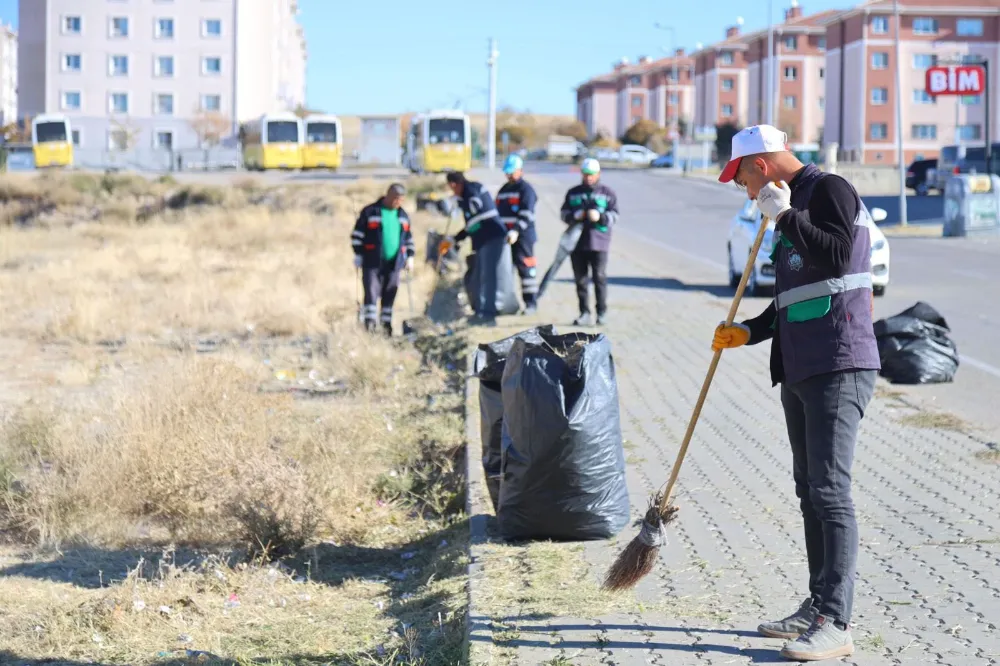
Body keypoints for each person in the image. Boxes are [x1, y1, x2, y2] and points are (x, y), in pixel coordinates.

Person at [712, 124, 881, 662]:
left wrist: (784, 215)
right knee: (809, 491)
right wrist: (748, 332)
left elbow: (837, 259)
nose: (745, 192)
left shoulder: (829, 189)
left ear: (760, 165)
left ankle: (837, 622)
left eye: (741, 179)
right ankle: (817, 606)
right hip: (800, 366)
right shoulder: (784, 204)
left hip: (839, 361)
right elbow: (793, 295)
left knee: (830, 491)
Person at [559, 157, 619, 326]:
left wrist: (601, 217)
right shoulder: (573, 193)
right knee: (581, 280)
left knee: (599, 277)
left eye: (592, 174)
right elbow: (563, 214)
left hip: (599, 243)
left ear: (598, 174)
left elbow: (615, 216)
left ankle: (601, 313)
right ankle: (584, 313)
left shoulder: (607, 193)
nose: (589, 177)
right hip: (577, 243)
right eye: (586, 174)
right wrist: (574, 216)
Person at [351, 183, 415, 336]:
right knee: (371, 292)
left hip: (394, 263)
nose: (398, 202)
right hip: (371, 261)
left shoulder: (403, 216)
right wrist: (358, 254)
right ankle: (370, 327)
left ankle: (386, 328)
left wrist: (410, 256)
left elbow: (408, 238)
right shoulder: (371, 212)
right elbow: (357, 235)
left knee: (390, 293)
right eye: (396, 198)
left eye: (401, 200)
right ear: (389, 195)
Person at [447, 171, 507, 325]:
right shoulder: (466, 193)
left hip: (492, 236)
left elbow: (476, 214)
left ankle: (489, 314)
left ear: (454, 184)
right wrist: (455, 238)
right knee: (477, 275)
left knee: (488, 276)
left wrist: (460, 203)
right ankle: (479, 311)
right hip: (482, 240)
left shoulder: (471, 190)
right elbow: (472, 224)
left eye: (451, 188)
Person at [495, 154, 540, 314]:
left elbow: (526, 214)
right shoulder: (503, 190)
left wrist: (516, 230)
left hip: (523, 237)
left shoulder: (526, 190)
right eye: (507, 172)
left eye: (512, 172)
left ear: (520, 171)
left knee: (526, 270)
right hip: (506, 238)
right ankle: (507, 304)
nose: (509, 175)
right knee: (506, 271)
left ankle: (530, 304)